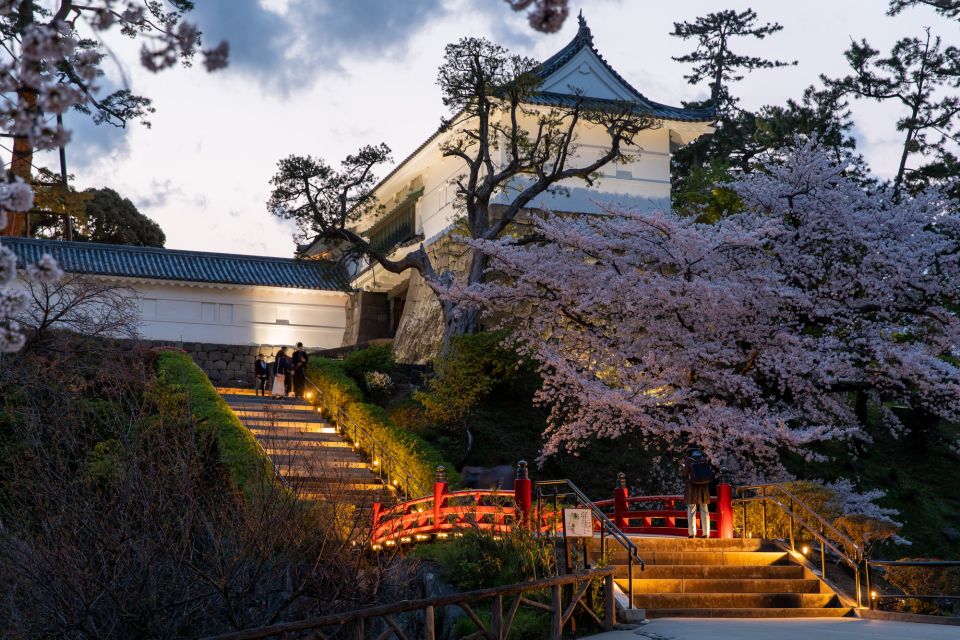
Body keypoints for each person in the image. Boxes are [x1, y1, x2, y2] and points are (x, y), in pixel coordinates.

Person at [682, 445, 714, 538]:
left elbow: (684, 474)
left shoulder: (689, 460)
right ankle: (706, 533)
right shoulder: (705, 459)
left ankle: (692, 533)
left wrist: (683, 467)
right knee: (704, 509)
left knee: (692, 509)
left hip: (692, 487)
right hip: (704, 488)